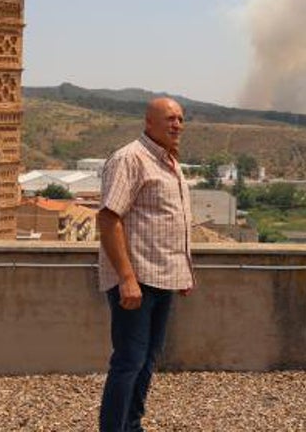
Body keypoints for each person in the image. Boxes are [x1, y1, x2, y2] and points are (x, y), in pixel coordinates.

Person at [97, 97, 194, 432]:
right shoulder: (130, 159)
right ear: (148, 122)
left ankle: (132, 426)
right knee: (129, 362)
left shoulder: (169, 161)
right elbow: (109, 220)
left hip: (163, 278)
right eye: (169, 118)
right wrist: (126, 278)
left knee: (147, 361)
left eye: (181, 118)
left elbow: (168, 223)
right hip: (137, 282)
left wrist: (182, 272)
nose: (177, 124)